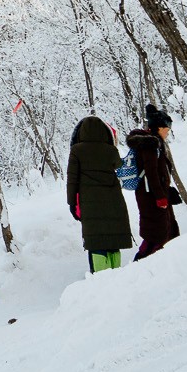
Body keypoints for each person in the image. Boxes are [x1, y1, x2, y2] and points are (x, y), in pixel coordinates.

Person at [66, 116, 133, 274]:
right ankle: (116, 275)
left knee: (96, 242)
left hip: (90, 203)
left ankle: (100, 278)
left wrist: (71, 203)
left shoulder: (77, 151)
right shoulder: (110, 150)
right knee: (113, 241)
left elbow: (72, 180)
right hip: (113, 200)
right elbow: (118, 164)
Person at [128, 105, 186, 261]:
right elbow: (151, 173)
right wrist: (160, 196)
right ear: (159, 127)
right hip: (150, 197)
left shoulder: (155, 144)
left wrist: (167, 191)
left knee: (166, 231)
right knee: (155, 235)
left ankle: (164, 262)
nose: (168, 131)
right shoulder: (150, 145)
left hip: (154, 195)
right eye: (167, 128)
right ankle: (139, 262)